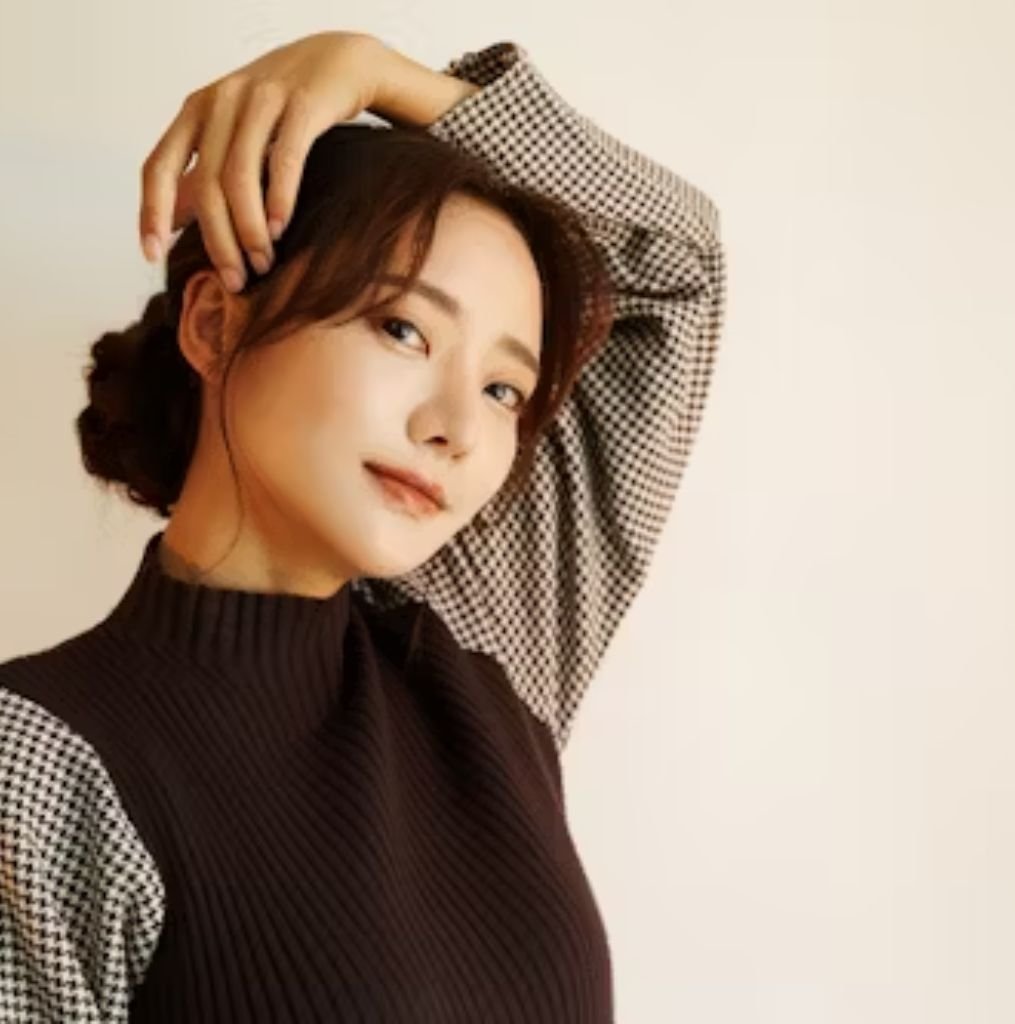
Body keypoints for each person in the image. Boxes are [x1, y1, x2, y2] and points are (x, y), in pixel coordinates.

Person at [0, 31, 726, 1022]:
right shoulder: (36, 755)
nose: (457, 428)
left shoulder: (479, 645)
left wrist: (379, 74)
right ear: (215, 322)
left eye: (505, 386)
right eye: (402, 329)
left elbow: (673, 267)